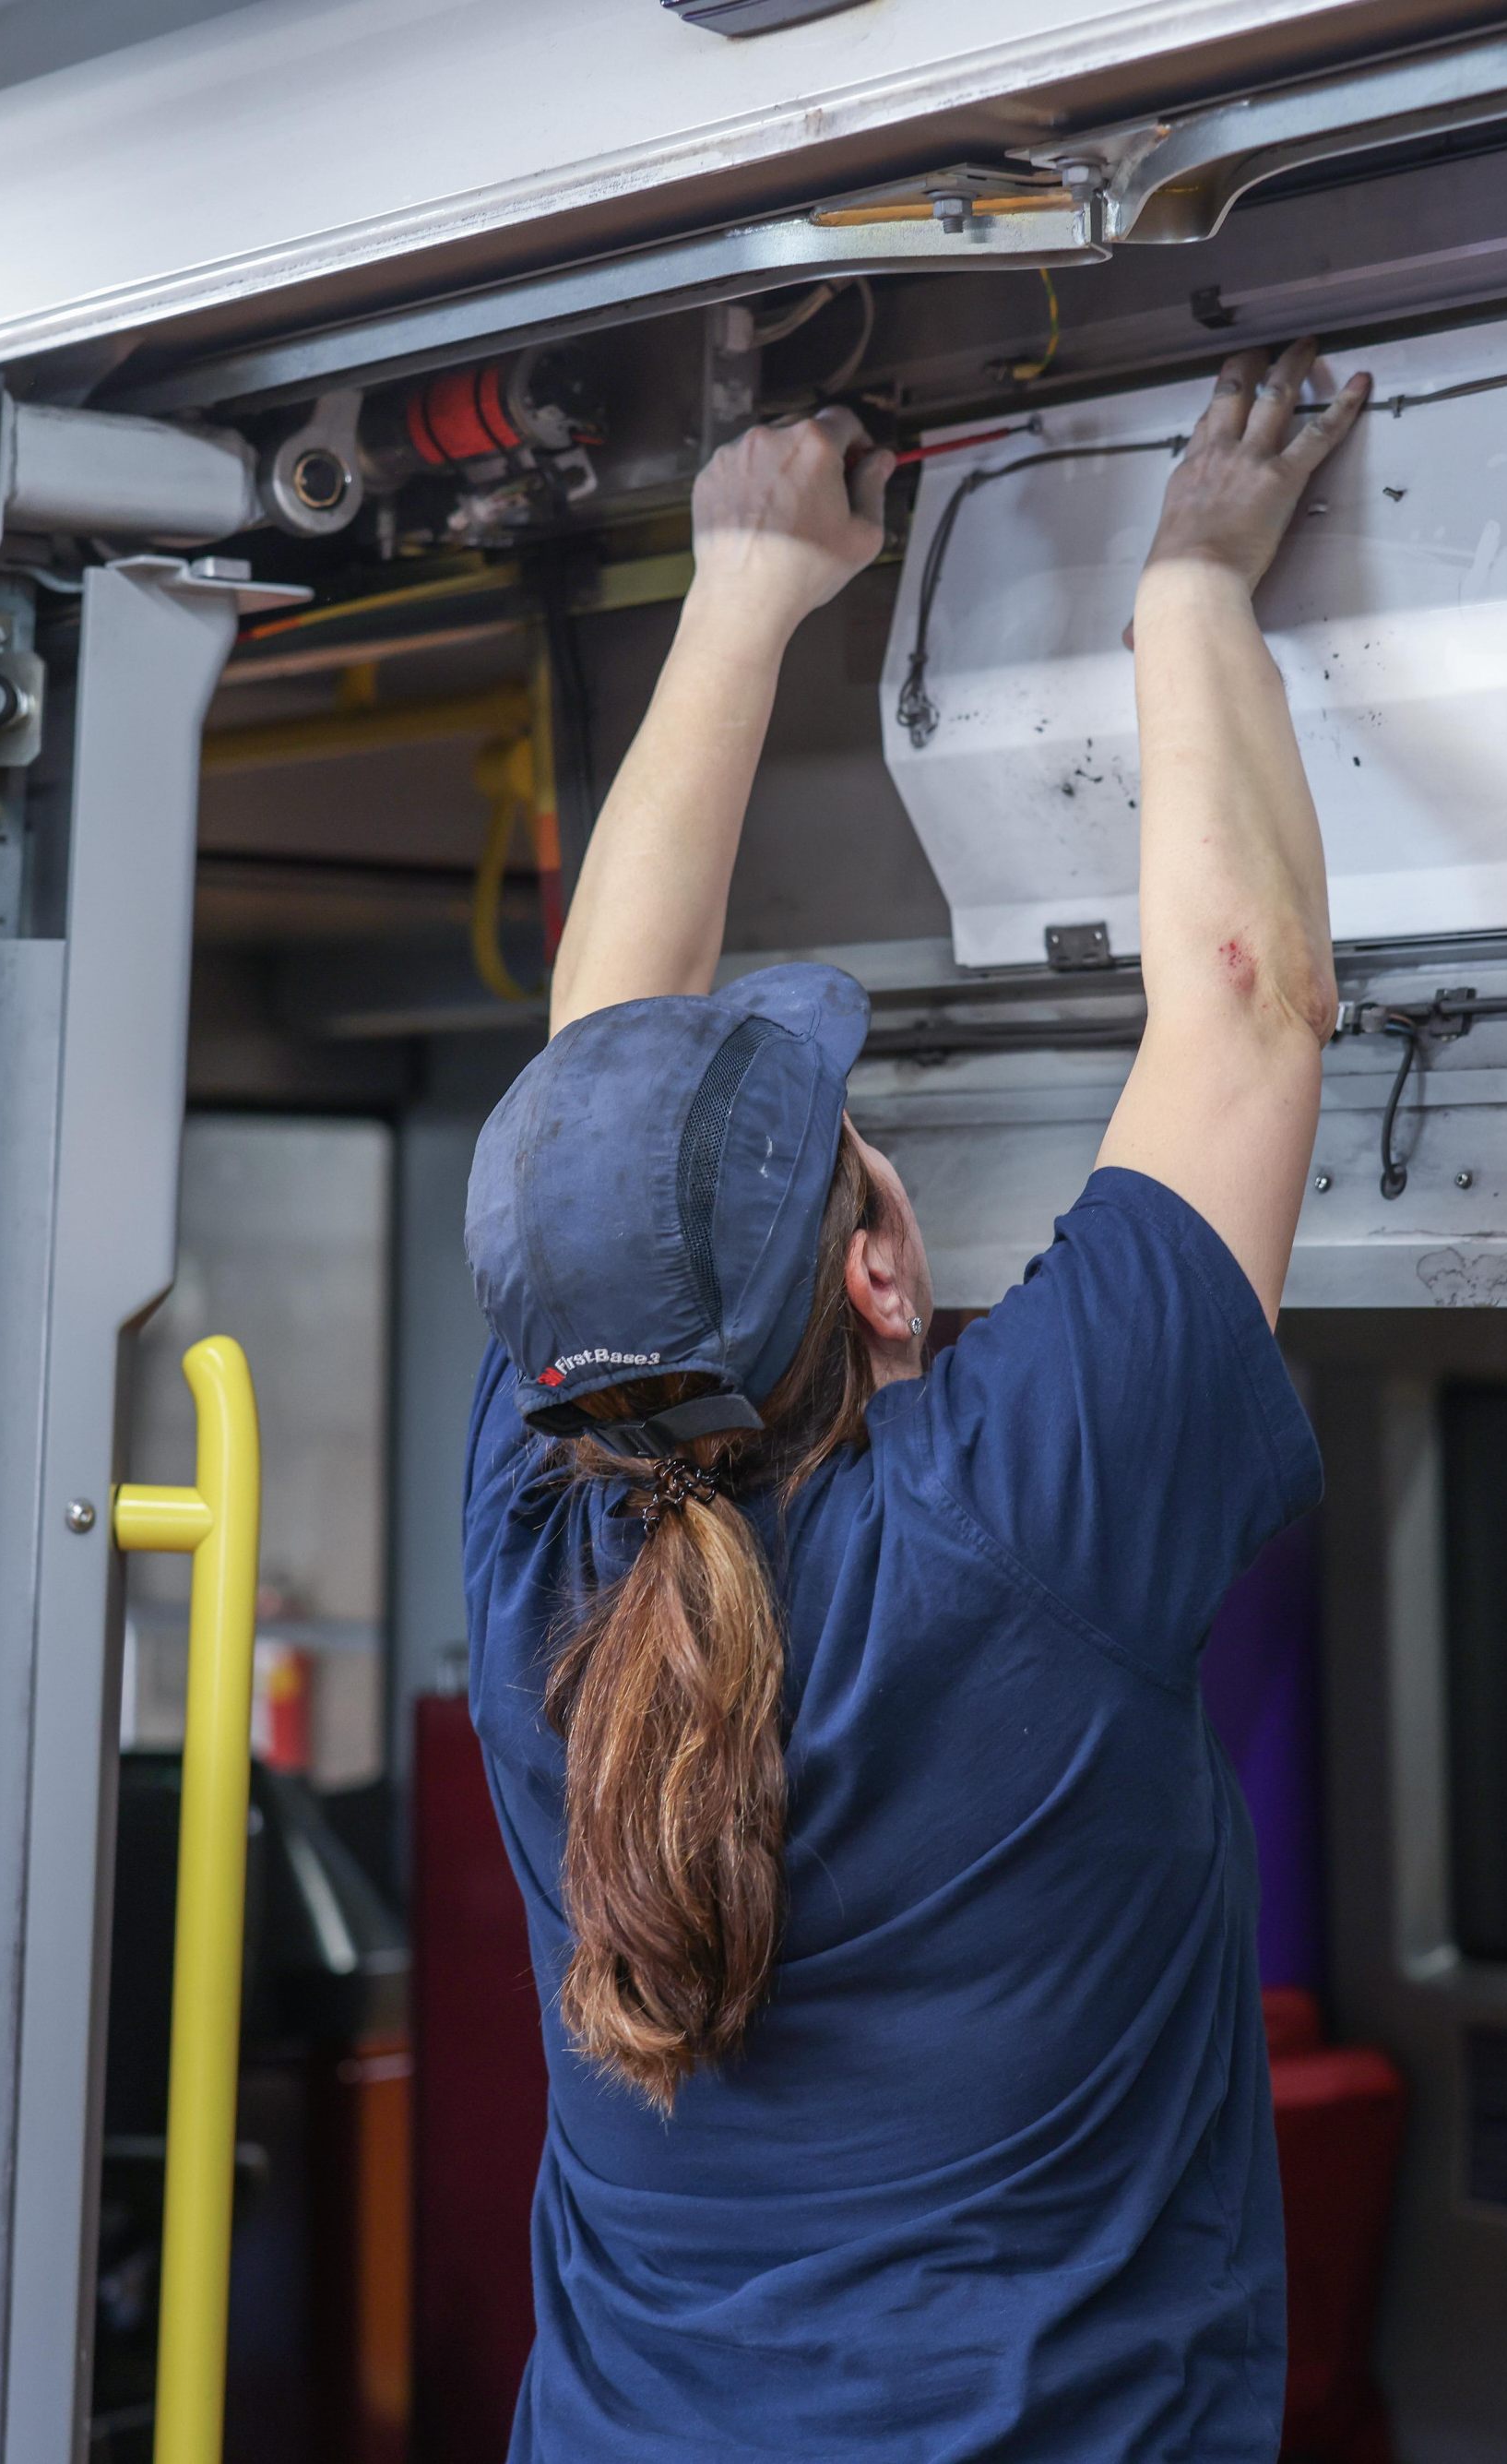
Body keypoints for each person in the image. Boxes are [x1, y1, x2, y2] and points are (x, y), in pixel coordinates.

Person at [462, 337, 1371, 2461]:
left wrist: (743, 588)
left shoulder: (543, 1565)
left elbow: (604, 1065)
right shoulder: (1005, 1525)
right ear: (883, 1272)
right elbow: (1240, 997)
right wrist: (1191, 578)